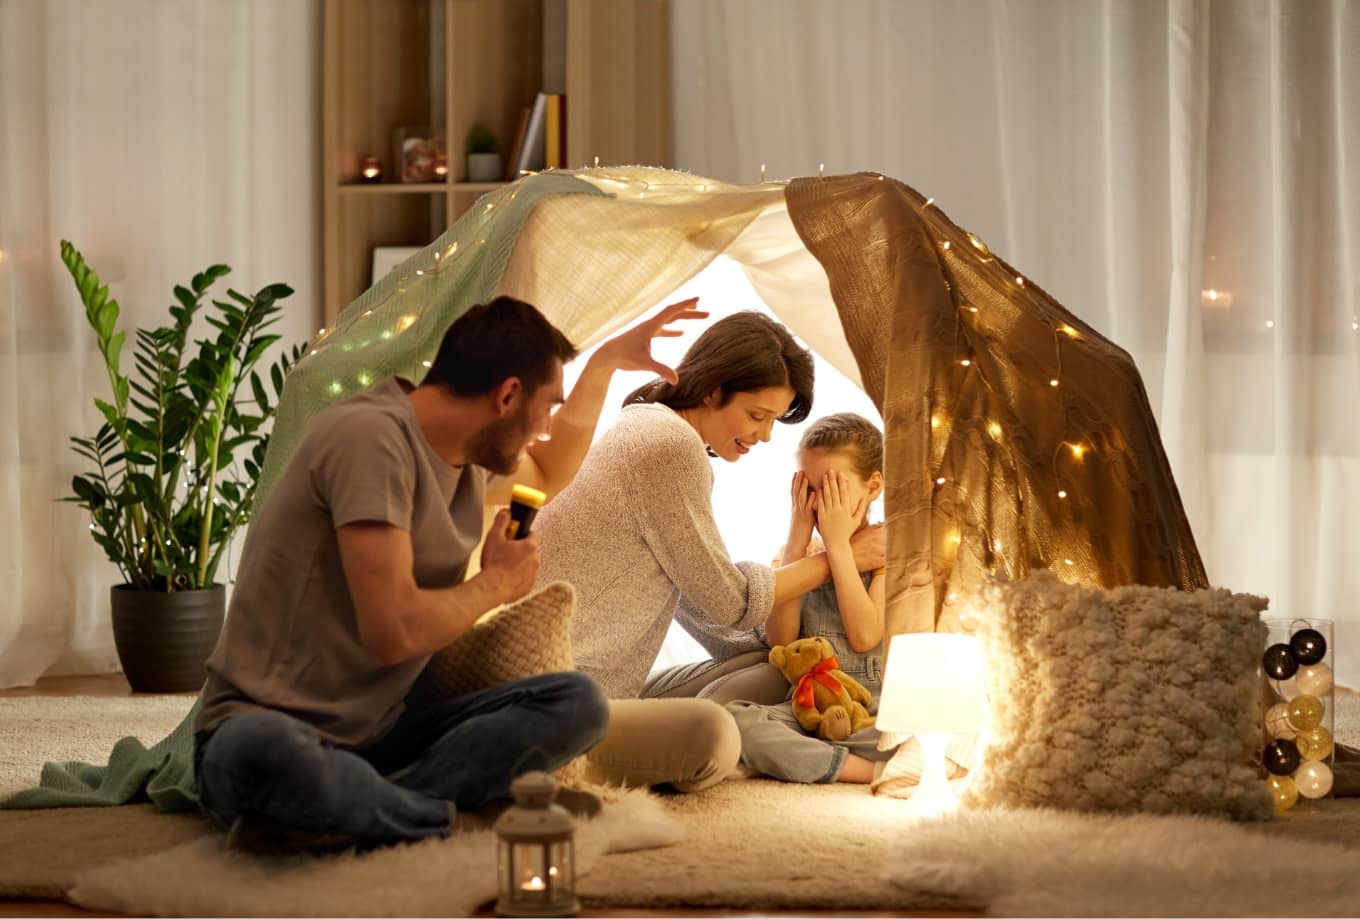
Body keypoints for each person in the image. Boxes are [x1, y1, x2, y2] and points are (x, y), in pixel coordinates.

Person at [194, 295, 705, 850]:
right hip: (263, 726)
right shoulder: (369, 438)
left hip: (383, 732)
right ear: (507, 395)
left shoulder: (463, 459)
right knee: (267, 755)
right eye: (548, 406)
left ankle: (360, 811)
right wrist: (494, 586)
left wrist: (604, 363)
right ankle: (439, 817)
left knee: (576, 703)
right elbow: (393, 635)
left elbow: (552, 468)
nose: (547, 425)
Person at [533, 312, 885, 792]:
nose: (763, 436)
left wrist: (779, 652)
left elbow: (700, 599)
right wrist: (840, 557)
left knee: (768, 664)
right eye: (758, 416)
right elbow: (731, 601)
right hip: (557, 698)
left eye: (773, 422)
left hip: (589, 687)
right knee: (717, 736)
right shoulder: (667, 447)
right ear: (712, 389)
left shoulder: (648, 428)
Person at [725, 413, 894, 785]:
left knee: (908, 735)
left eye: (834, 486)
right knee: (733, 721)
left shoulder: (886, 551)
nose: (821, 504)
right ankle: (850, 768)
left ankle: (858, 766)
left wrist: (838, 547)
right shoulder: (803, 559)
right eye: (810, 488)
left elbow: (865, 637)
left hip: (869, 716)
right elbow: (782, 642)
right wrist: (798, 539)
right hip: (809, 711)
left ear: (873, 486)